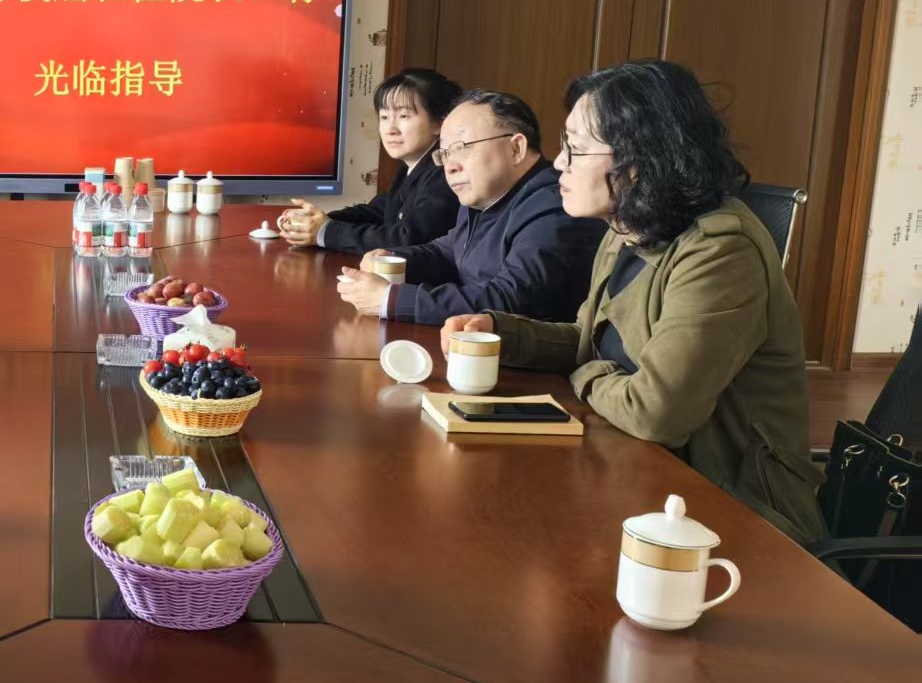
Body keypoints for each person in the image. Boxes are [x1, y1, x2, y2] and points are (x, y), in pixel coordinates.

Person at [442, 61, 824, 542]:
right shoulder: (628, 227)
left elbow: (655, 413)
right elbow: (590, 342)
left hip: (730, 513)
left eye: (576, 148)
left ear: (638, 161)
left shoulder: (721, 250)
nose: (558, 163)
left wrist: (585, 373)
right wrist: (499, 332)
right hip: (643, 475)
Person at [336, 89, 605, 326]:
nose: (450, 166)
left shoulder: (556, 206)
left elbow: (510, 300)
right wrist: (391, 257)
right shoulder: (487, 194)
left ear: (516, 149)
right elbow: (449, 251)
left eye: (461, 148)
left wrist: (390, 299)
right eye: (445, 154)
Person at [278, 67, 462, 253]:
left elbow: (407, 237)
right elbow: (376, 212)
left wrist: (325, 231)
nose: (390, 129)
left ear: (440, 123)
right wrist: (314, 221)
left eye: (403, 116)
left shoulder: (446, 172)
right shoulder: (413, 166)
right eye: (384, 117)